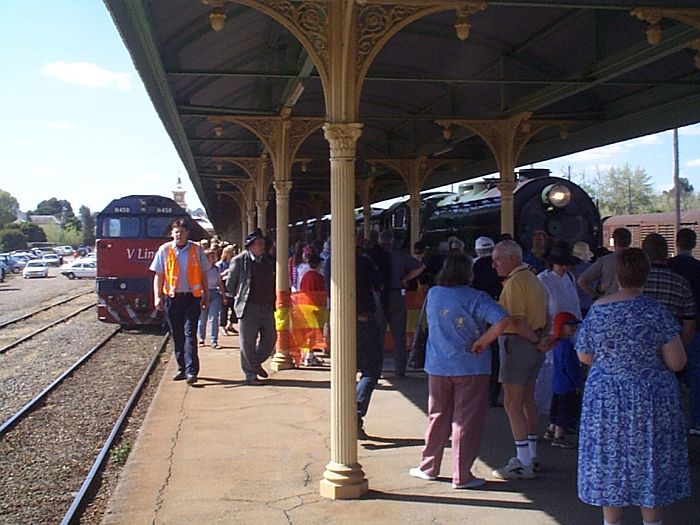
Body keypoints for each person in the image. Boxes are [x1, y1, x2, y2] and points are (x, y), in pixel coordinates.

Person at [576, 248, 689, 525]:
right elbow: (677, 362)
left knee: (609, 459)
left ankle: (610, 521)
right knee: (649, 460)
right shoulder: (656, 312)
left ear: (616, 275)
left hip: (606, 399)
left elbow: (585, 355)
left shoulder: (598, 310)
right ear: (646, 276)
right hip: (650, 399)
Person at [409, 252, 509, 489]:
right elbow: (502, 319)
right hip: (471, 366)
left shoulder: (433, 293)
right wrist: (483, 341)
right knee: (465, 421)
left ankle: (428, 467)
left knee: (437, 416)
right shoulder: (477, 297)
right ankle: (462, 475)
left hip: (437, 366)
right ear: (468, 273)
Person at [491, 239, 550, 480]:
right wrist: (541, 340)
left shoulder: (514, 284)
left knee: (512, 403)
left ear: (512, 259)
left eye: (497, 260)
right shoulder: (534, 280)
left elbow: (516, 321)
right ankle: (531, 454)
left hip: (517, 344)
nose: (494, 265)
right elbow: (546, 315)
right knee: (527, 400)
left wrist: (535, 340)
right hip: (534, 344)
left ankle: (522, 461)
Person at [150, 218, 209, 385]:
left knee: (190, 333)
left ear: (187, 234)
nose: (179, 235)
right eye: (176, 232)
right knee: (177, 334)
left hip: (192, 298)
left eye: (182, 232)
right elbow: (159, 276)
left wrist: (207, 295)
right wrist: (157, 296)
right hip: (172, 298)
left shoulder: (196, 250)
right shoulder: (164, 250)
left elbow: (204, 274)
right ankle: (181, 368)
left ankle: (192, 371)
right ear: (172, 234)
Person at [226, 228, 276, 385]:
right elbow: (230, 284)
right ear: (251, 246)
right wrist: (240, 298)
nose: (262, 246)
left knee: (271, 338)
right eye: (259, 244)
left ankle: (254, 363)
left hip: (267, 306)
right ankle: (250, 375)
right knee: (247, 341)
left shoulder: (268, 260)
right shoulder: (239, 260)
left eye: (263, 243)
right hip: (249, 307)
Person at [375, 230, 425, 377]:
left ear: (379, 239)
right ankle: (400, 371)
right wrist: (405, 279)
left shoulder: (373, 256)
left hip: (378, 295)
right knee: (399, 334)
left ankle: (376, 370)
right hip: (397, 294)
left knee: (378, 335)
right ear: (391, 241)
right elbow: (420, 267)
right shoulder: (400, 255)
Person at [668, 228, 700, 435]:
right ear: (694, 244)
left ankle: (673, 420)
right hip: (696, 326)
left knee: (671, 375)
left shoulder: (668, 267)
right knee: (697, 374)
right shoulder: (699, 268)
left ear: (676, 242)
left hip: (669, 327)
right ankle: (696, 420)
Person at [641, 233, 696, 346]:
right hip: (671, 344)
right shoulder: (681, 283)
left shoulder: (637, 281)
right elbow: (689, 321)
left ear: (644, 253)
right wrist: (680, 346)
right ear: (666, 252)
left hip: (641, 344)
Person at [471, 236, 503, 406]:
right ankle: (493, 393)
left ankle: (478, 392)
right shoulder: (496, 266)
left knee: (477, 350)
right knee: (496, 356)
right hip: (496, 312)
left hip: (477, 315)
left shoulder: (475, 266)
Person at [542, 312, 582, 449]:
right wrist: (577, 382)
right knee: (564, 410)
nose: (573, 328)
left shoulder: (556, 344)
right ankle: (559, 436)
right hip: (567, 384)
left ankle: (551, 430)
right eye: (570, 325)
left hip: (557, 383)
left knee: (556, 408)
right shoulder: (567, 346)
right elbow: (570, 367)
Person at [578, 227, 631, 299]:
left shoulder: (604, 260)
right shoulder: (639, 260)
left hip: (610, 302)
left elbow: (582, 281)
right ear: (630, 241)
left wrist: (596, 297)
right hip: (633, 303)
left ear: (614, 241)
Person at [197, 249, 227, 349]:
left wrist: (223, 295)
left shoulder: (216, 269)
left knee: (214, 318)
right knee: (202, 318)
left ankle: (214, 341)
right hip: (203, 294)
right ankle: (201, 338)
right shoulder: (201, 269)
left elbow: (219, 282)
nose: (214, 259)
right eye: (211, 257)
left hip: (214, 293)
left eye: (214, 257)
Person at [571, 241, 594, 317]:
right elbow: (601, 287)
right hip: (590, 305)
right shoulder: (593, 268)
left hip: (573, 306)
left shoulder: (568, 269)